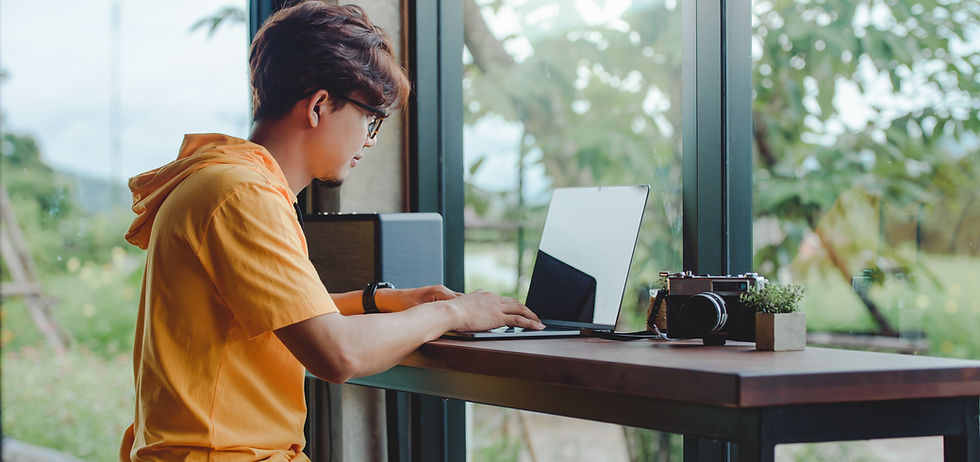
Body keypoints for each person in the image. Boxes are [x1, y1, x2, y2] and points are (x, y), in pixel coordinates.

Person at [118, 2, 544, 461]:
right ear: (320, 105)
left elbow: (275, 321)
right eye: (369, 117)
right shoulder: (241, 195)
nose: (371, 139)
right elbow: (337, 356)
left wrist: (382, 300)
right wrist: (455, 315)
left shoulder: (224, 180)